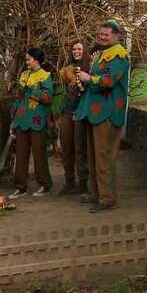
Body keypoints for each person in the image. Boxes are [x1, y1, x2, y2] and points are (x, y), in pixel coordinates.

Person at [75, 20, 131, 212]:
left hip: (107, 112)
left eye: (106, 34)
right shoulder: (103, 54)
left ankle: (108, 199)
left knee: (104, 155)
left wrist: (89, 78)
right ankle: (97, 193)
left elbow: (109, 80)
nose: (102, 37)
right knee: (94, 155)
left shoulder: (120, 55)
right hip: (95, 112)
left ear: (117, 36)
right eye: (101, 34)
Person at [9, 47, 54, 198]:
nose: (27, 62)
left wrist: (33, 90)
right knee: (21, 154)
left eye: (29, 59)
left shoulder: (45, 76)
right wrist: (13, 121)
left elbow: (48, 98)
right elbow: (19, 98)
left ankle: (44, 184)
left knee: (39, 154)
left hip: (37, 120)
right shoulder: (24, 75)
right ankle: (20, 187)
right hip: (21, 120)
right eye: (26, 59)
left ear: (37, 60)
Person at [59, 39, 91, 194]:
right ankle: (69, 182)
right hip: (67, 111)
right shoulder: (66, 70)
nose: (76, 51)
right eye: (74, 49)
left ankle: (83, 184)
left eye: (79, 49)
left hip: (82, 112)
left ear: (84, 51)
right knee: (66, 147)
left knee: (80, 148)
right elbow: (65, 91)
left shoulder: (90, 69)